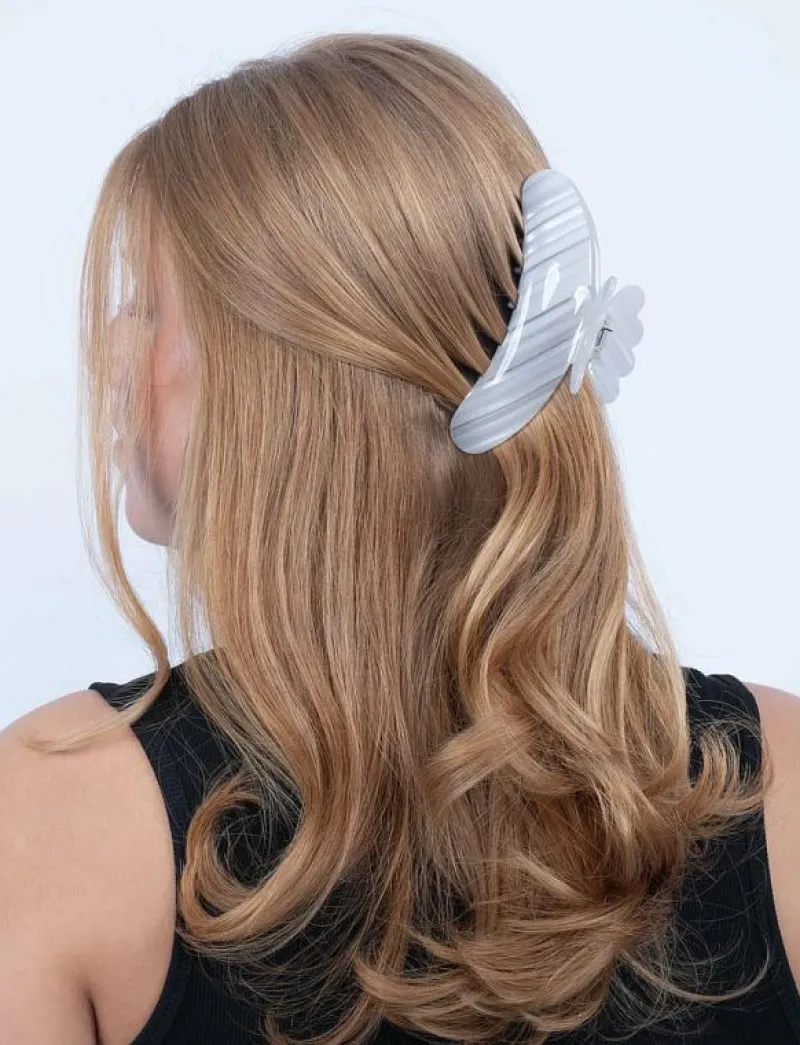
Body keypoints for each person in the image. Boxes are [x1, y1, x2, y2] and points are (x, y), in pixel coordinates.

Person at [2, 30, 799, 1045]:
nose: (112, 348)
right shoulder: (778, 782)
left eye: (150, 306)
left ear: (294, 387)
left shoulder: (59, 820)